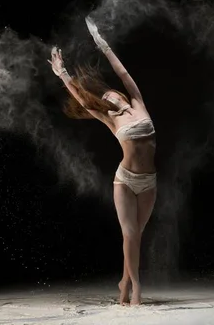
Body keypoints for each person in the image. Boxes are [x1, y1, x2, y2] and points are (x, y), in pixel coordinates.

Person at [48, 17, 157, 306]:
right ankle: (135, 287)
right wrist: (63, 75)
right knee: (130, 234)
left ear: (120, 95)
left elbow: (122, 73)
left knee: (136, 237)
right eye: (106, 98)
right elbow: (85, 101)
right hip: (124, 180)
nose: (109, 96)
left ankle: (122, 282)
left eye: (111, 93)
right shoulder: (111, 119)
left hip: (148, 182)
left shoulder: (137, 103)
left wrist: (103, 44)